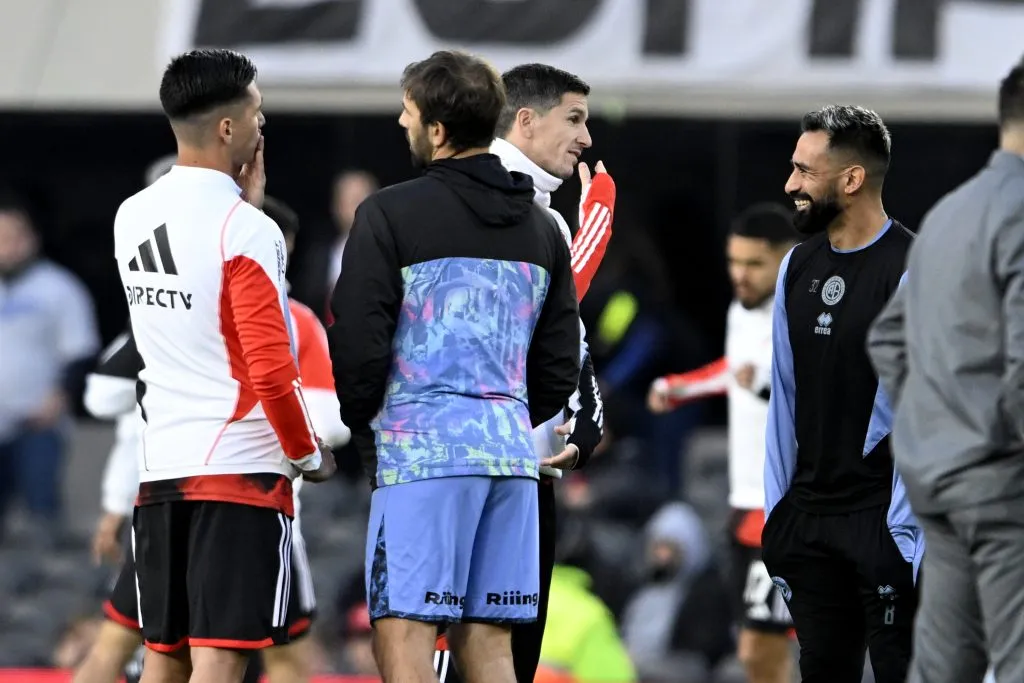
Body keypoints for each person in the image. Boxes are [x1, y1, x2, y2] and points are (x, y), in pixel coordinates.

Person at [327, 50, 581, 683]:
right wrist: (505, 416)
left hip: (420, 455)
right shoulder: (544, 228)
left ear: (437, 130)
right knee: (490, 648)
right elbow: (559, 366)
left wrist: (366, 428)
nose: (402, 122)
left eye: (408, 112)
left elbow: (358, 343)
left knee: (404, 635)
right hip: (510, 459)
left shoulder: (387, 213)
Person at [114, 49, 336, 683]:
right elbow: (269, 368)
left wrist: (248, 208)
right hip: (239, 472)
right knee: (220, 658)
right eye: (258, 112)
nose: (263, 125)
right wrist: (307, 454)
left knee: (165, 657)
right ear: (229, 127)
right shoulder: (247, 230)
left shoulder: (132, 214)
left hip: (161, 470)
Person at [74, 196, 349, 683]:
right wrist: (307, 453)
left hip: (162, 489)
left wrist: (116, 500)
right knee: (247, 656)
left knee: (147, 651)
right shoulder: (292, 318)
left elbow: (101, 396)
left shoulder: (165, 311)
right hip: (242, 496)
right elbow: (329, 422)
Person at [867, 55, 1024, 683]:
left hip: (941, 478)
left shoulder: (949, 213)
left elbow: (888, 339)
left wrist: (936, 429)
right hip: (1005, 482)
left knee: (943, 668)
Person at [761, 104, 923, 683]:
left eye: (805, 171)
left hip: (882, 526)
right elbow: (784, 399)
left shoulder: (914, 270)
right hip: (807, 525)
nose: (790, 184)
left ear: (852, 179)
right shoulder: (796, 266)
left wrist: (906, 537)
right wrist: (778, 518)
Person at [471, 62, 615, 683]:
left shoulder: (546, 216)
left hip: (532, 473)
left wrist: (585, 423)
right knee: (472, 650)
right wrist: (594, 234)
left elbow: (564, 340)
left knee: (515, 657)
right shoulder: (475, 203)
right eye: (574, 119)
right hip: (477, 470)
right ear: (525, 121)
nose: (586, 137)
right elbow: (530, 322)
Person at [648, 202, 798, 683]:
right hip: (745, 505)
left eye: (755, 264)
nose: (740, 275)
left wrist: (766, 386)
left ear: (786, 258)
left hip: (785, 507)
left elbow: (828, 391)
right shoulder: (741, 311)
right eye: (734, 261)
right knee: (756, 645)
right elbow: (736, 370)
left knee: (762, 647)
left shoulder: (807, 314)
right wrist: (680, 388)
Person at [0, 192, 100, 542]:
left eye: (14, 237)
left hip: (38, 422)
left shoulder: (59, 288)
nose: (7, 246)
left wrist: (58, 399)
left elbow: (81, 351)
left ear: (32, 239)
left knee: (40, 516)